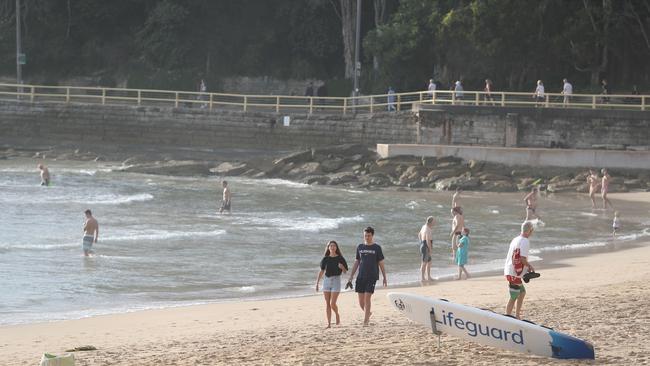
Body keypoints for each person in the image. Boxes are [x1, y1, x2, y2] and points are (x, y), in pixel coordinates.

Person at [347, 226, 387, 326]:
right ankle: (367, 313)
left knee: (367, 298)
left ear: (372, 235)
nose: (367, 237)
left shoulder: (377, 248)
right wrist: (351, 276)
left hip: (372, 276)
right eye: (365, 235)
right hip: (360, 276)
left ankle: (366, 321)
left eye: (369, 235)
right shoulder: (360, 247)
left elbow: (381, 263)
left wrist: (384, 277)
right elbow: (357, 262)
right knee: (361, 302)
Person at [504, 221, 535, 319]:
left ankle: (517, 316)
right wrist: (530, 266)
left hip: (510, 271)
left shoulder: (515, 239)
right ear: (530, 230)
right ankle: (507, 317)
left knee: (522, 293)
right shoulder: (525, 241)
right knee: (513, 296)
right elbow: (522, 258)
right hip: (513, 273)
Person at [316, 240, 348, 328]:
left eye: (334, 246)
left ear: (336, 247)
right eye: (331, 246)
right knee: (327, 303)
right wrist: (317, 283)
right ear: (328, 248)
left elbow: (345, 271)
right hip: (326, 280)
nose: (332, 247)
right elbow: (322, 271)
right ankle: (329, 324)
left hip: (336, 280)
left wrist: (342, 267)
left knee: (332, 303)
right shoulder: (325, 259)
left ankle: (337, 315)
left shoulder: (340, 258)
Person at [418, 216, 435, 281]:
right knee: (424, 262)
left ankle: (428, 276)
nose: (434, 223)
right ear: (430, 222)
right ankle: (422, 277)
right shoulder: (427, 228)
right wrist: (430, 248)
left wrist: (421, 242)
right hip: (426, 246)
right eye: (433, 222)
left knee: (429, 262)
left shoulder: (423, 227)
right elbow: (427, 239)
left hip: (423, 244)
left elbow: (419, 234)